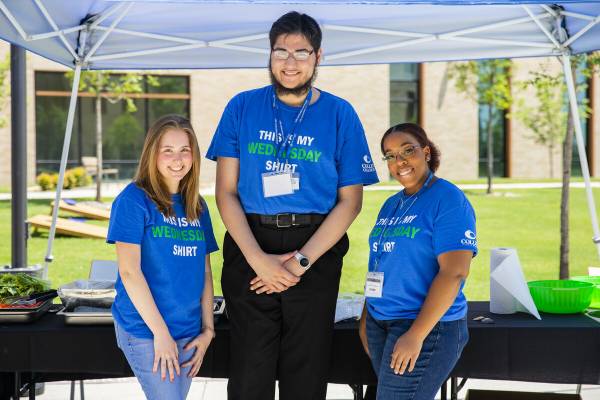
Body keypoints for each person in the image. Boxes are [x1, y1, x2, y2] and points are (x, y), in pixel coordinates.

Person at [206, 11, 379, 400]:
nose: (289, 62)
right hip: (250, 242)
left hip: (315, 247)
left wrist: (299, 261)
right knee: (251, 368)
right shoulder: (241, 107)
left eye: (301, 53)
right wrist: (260, 260)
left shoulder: (340, 114)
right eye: (280, 51)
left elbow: (350, 202)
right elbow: (225, 193)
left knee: (307, 369)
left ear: (318, 57)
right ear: (269, 55)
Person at [358, 123, 477, 400]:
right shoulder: (391, 204)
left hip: (425, 327)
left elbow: (455, 272)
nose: (399, 161)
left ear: (425, 152)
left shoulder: (447, 199)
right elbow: (380, 264)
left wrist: (415, 335)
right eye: (390, 156)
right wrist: (367, 317)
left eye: (407, 151)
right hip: (381, 323)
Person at [107, 115, 218, 400]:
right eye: (167, 150)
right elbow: (130, 273)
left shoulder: (197, 204)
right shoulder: (133, 201)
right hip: (147, 329)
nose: (177, 158)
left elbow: (205, 273)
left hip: (189, 329)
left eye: (185, 149)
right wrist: (161, 335)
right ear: (152, 153)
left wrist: (208, 330)